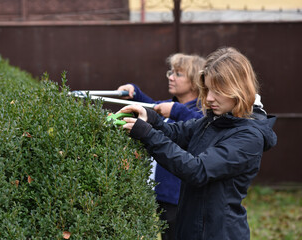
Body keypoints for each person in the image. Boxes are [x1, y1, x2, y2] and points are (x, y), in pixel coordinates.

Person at [117, 47, 277, 240]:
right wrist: (150, 118)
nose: (209, 98)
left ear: (239, 89)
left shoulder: (248, 137)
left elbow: (197, 170)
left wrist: (147, 134)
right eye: (207, 89)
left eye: (217, 91)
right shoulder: (215, 120)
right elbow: (176, 132)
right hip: (190, 229)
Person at [117, 53, 206, 240]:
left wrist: (176, 110)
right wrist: (135, 91)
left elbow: (199, 126)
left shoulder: (200, 112)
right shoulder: (170, 106)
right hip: (160, 193)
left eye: (178, 74)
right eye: (170, 72)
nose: (171, 77)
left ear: (195, 81)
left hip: (177, 197)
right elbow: (150, 108)